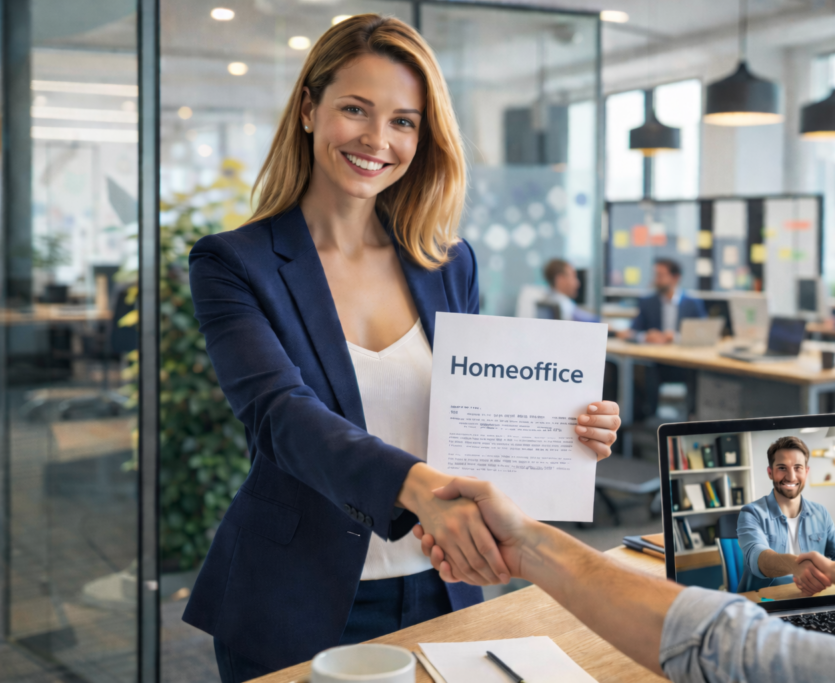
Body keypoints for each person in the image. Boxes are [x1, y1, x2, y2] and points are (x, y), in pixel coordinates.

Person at [182, 15, 621, 683]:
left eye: (403, 121)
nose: (377, 139)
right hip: (293, 594)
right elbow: (280, 415)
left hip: (445, 581)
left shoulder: (447, 261)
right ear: (308, 108)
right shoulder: (233, 263)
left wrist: (565, 429)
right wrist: (416, 488)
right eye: (355, 109)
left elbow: (474, 412)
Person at [416, 279, 835, 681]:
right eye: (783, 467)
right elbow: (770, 568)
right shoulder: (769, 514)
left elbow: (728, 646)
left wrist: (526, 544)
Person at [736, 435, 835, 594]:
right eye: (782, 468)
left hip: (813, 599)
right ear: (770, 472)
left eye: (798, 467)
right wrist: (797, 566)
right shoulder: (751, 513)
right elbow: (759, 558)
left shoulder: (820, 512)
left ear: (806, 471)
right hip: (766, 605)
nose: (791, 477)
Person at [620, 258, 706, 343]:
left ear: (675, 278)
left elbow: (703, 334)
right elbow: (632, 332)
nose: (656, 280)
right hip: (653, 354)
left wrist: (676, 337)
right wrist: (645, 336)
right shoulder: (647, 302)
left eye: (660, 276)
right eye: (655, 275)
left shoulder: (693, 303)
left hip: (682, 354)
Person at [542, 258, 598, 322]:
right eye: (573, 276)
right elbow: (586, 319)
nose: (578, 283)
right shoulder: (563, 304)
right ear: (560, 279)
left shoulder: (548, 298)